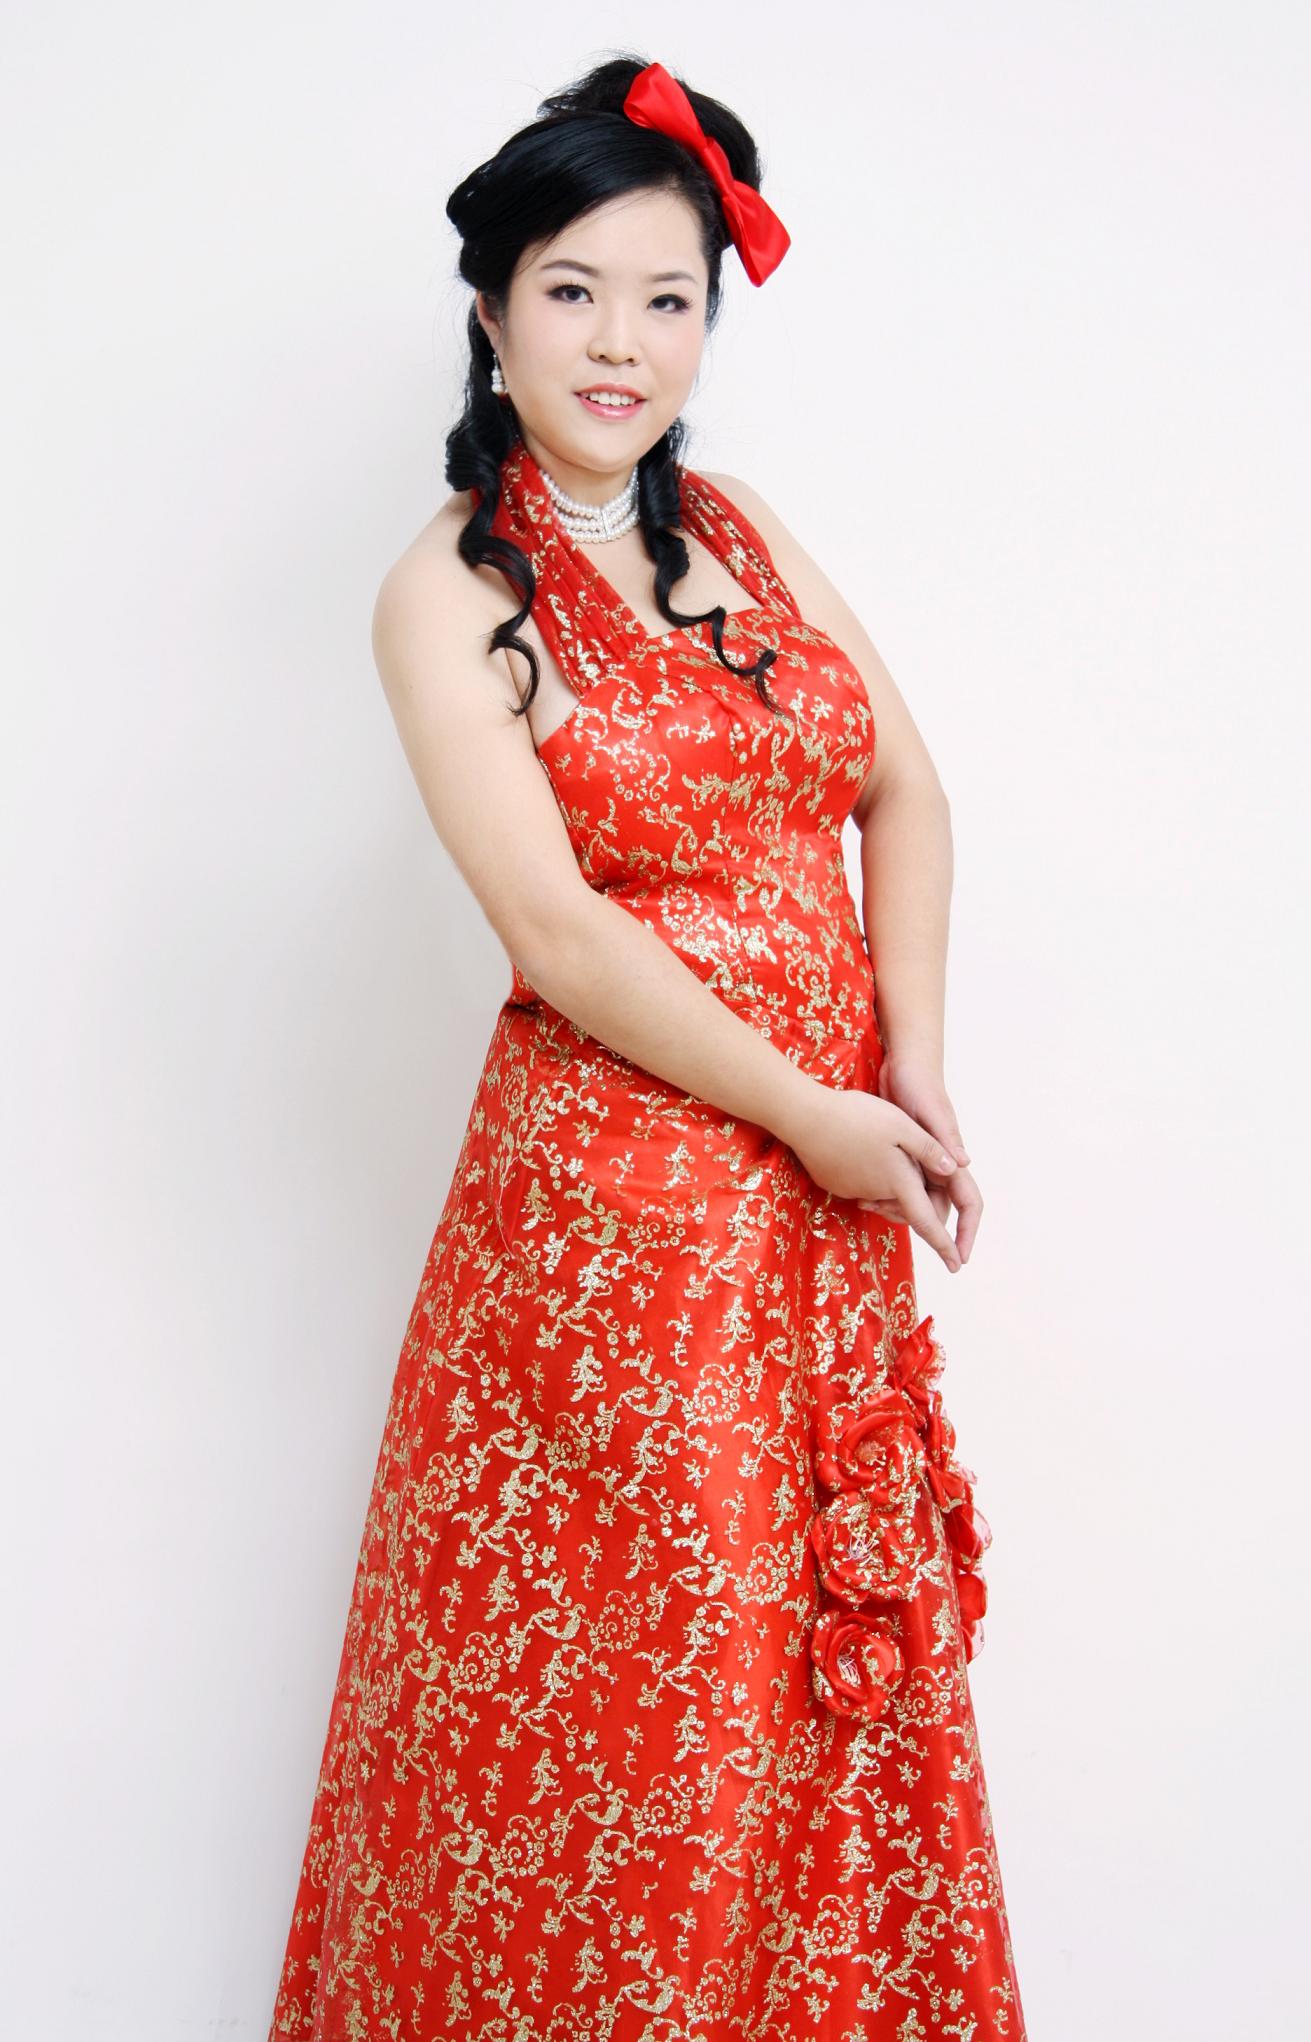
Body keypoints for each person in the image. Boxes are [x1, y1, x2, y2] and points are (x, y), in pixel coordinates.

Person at [269, 52, 1027, 2042]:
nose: (621, 342)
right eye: (574, 291)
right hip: (617, 1237)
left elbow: (907, 789)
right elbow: (555, 930)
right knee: (644, 1711)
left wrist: (910, 1065)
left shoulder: (745, 532)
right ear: (492, 308)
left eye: (667, 298)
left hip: (822, 1197)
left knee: (803, 1696)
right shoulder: (442, 593)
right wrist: (809, 1111)